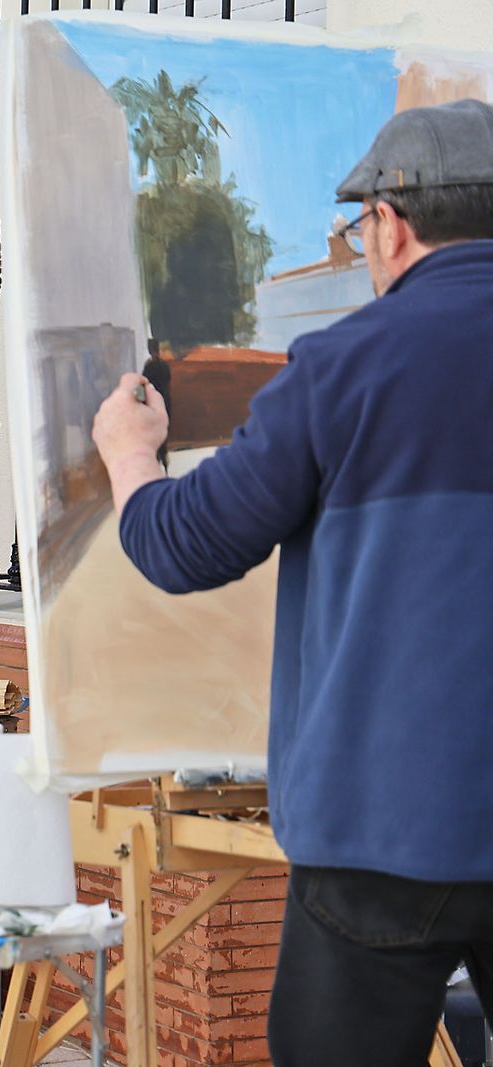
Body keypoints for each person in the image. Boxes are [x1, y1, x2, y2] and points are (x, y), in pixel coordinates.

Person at [91, 99, 493, 1066]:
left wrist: (128, 455)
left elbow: (182, 544)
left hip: (377, 822)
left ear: (391, 226)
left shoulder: (344, 365)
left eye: (363, 229)